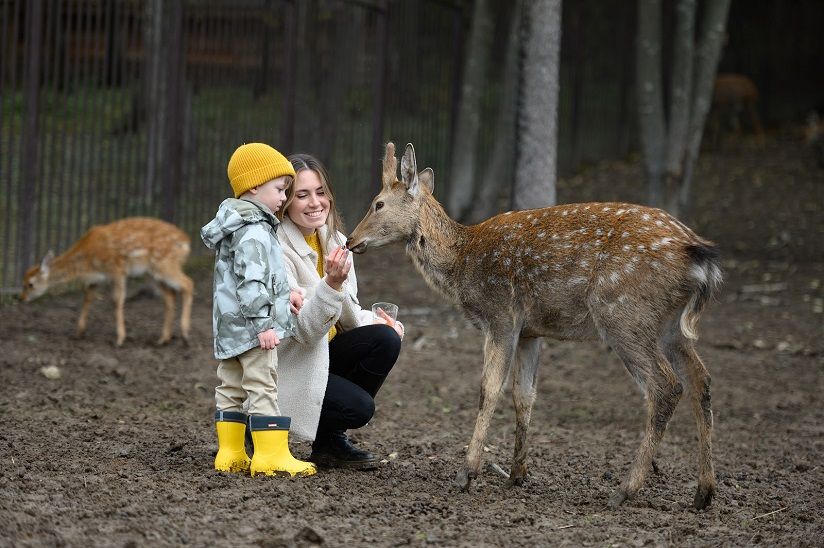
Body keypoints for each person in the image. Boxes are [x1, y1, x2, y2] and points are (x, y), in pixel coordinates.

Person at [273, 153, 404, 470]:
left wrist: (381, 323)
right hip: (288, 365)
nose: (315, 202)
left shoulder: (336, 241)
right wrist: (331, 283)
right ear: (286, 203)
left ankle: (329, 443)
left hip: (323, 353)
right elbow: (304, 331)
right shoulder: (275, 246)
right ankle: (259, 423)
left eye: (320, 192)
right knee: (359, 409)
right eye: (302, 195)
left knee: (385, 340)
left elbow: (347, 315)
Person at [200, 142, 315, 478]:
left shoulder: (234, 224)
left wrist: (288, 292)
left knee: (231, 386)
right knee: (264, 385)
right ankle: (270, 455)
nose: (284, 198)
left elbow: (254, 278)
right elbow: (252, 284)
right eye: (280, 189)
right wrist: (265, 323)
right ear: (254, 185)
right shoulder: (255, 230)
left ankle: (230, 452)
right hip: (254, 330)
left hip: (230, 328)